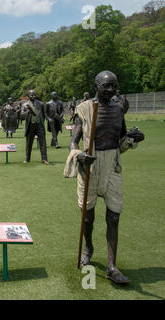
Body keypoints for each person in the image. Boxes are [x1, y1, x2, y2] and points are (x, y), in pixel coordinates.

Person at [64, 71, 145, 284]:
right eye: (106, 86)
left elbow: (121, 140)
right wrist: (79, 155)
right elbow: (73, 142)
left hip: (112, 165)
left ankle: (112, 266)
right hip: (90, 164)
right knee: (88, 216)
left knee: (114, 216)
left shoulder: (119, 109)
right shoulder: (84, 110)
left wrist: (133, 138)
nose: (111, 90)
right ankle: (88, 247)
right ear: (96, 87)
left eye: (114, 86)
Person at [21, 90, 49, 164]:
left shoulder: (41, 104)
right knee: (29, 143)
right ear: (28, 96)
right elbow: (22, 116)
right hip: (30, 125)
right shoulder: (24, 105)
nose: (33, 96)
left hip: (39, 125)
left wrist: (40, 122)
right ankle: (27, 158)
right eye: (31, 95)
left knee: (42, 142)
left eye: (34, 95)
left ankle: (44, 159)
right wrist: (28, 112)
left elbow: (43, 115)